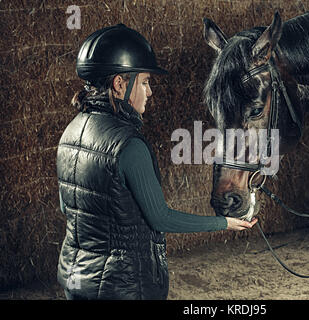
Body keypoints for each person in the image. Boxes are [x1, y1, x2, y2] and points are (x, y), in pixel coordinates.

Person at [56, 24, 257, 300]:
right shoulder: (128, 145)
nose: (149, 92)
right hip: (124, 287)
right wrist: (225, 223)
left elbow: (68, 206)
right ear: (119, 84)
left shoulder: (70, 133)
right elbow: (160, 218)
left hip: (75, 280)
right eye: (145, 82)